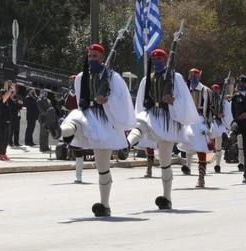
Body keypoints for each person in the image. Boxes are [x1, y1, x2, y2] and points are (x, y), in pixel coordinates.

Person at [46, 43, 136, 217]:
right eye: (89, 56)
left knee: (102, 168)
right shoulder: (81, 76)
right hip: (88, 114)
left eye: (95, 56)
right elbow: (81, 100)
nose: (91, 58)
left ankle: (105, 204)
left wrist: (107, 100)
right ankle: (58, 131)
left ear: (102, 57)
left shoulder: (112, 77)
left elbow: (121, 99)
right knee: (74, 118)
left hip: (104, 119)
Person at [126, 49, 199, 210]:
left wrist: (172, 101)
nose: (157, 61)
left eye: (159, 58)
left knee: (164, 162)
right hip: (153, 114)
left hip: (168, 118)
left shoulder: (175, 77)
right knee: (141, 122)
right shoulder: (148, 79)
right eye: (154, 58)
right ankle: (127, 144)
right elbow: (141, 99)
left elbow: (184, 99)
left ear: (166, 59)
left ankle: (167, 197)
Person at [179, 68, 213, 188]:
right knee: (187, 146)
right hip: (188, 121)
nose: (193, 77)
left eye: (195, 75)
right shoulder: (185, 90)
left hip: (199, 120)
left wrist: (208, 125)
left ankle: (201, 178)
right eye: (191, 75)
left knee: (201, 149)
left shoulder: (205, 90)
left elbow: (209, 109)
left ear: (199, 76)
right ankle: (187, 166)